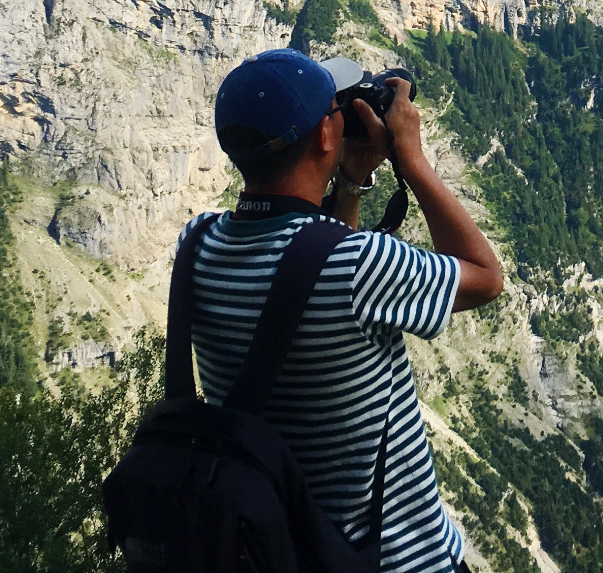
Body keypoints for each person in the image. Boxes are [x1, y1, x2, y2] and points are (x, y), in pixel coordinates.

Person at [185, 49, 504, 573]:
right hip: (398, 561)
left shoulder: (194, 246)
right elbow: (484, 276)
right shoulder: (360, 268)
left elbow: (309, 259)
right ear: (327, 136)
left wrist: (350, 182)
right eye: (335, 110)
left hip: (290, 552)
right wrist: (411, 158)